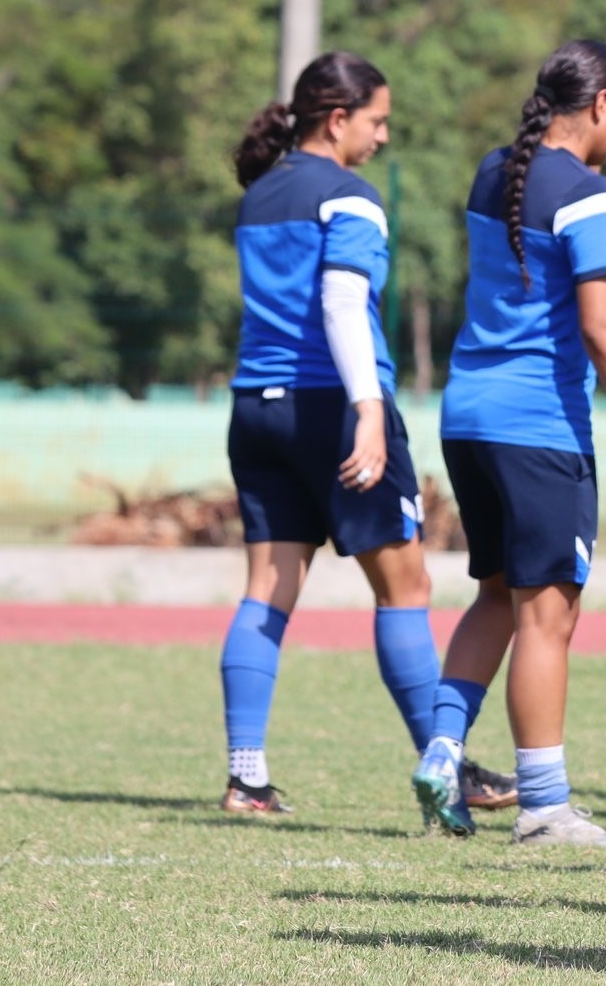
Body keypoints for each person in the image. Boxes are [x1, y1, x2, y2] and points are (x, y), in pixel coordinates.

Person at [407, 40, 606, 847]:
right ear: (602, 106)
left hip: (468, 419)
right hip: (539, 430)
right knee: (546, 617)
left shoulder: (497, 169)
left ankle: (442, 750)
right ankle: (544, 806)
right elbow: (603, 326)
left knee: (496, 595)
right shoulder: (591, 197)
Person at [220, 52, 456, 815]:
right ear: (337, 119)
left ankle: (245, 776)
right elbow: (342, 305)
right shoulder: (349, 196)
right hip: (332, 405)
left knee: (266, 588)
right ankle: (442, 767)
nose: (383, 136)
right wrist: (368, 411)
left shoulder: (259, 194)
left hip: (256, 405)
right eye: (377, 120)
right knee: (405, 586)